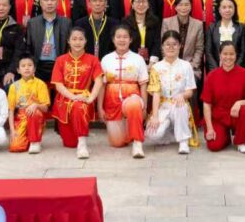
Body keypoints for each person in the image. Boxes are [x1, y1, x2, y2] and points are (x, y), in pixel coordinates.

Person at [52, 28, 105, 157]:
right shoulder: (60, 60)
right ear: (68, 41)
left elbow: (99, 80)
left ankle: (82, 144)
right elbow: (58, 84)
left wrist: (91, 98)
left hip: (83, 98)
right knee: (70, 143)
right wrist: (73, 96)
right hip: (64, 100)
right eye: (74, 39)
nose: (77, 42)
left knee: (78, 106)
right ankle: (79, 139)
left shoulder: (93, 59)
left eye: (81, 39)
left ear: (86, 41)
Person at [98, 24, 149, 158]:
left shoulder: (138, 59)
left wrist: (144, 107)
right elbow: (102, 85)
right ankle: (129, 129)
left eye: (125, 37)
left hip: (132, 98)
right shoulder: (106, 59)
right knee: (117, 143)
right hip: (112, 102)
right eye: (118, 37)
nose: (122, 40)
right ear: (113, 39)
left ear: (130, 39)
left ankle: (137, 143)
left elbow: (143, 85)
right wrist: (100, 107)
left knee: (134, 105)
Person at [202, 41, 245, 153]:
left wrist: (239, 103)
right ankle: (225, 137)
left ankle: (241, 142)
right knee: (214, 146)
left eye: (231, 54)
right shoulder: (212, 75)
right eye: (225, 54)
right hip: (218, 116)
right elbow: (206, 104)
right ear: (220, 55)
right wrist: (210, 128)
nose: (228, 57)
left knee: (244, 110)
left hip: (236, 115)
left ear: (236, 55)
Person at [146, 32, 197, 154]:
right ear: (162, 47)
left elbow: (190, 91)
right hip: (162, 105)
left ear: (180, 46)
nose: (171, 47)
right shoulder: (156, 67)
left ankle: (183, 141)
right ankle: (171, 133)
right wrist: (155, 116)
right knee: (152, 134)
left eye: (174, 44)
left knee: (180, 105)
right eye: (167, 44)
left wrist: (182, 95)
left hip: (178, 104)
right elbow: (156, 94)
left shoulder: (186, 66)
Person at [25, 0, 73, 86]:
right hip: (38, 66)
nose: (49, 3)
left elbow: (70, 47)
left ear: (57, 3)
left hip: (59, 65)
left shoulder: (66, 22)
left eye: (52, 0)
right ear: (41, 3)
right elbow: (28, 47)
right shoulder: (32, 23)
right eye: (46, 0)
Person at [7, 55, 50, 153]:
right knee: (16, 147)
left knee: (34, 112)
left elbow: (45, 108)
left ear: (34, 69)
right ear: (18, 70)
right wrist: (12, 130)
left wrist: (36, 105)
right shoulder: (14, 86)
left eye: (30, 65)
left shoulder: (40, 84)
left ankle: (35, 142)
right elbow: (11, 110)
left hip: (36, 116)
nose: (27, 68)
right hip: (21, 118)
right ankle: (28, 138)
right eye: (23, 66)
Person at [161, 0, 204, 86]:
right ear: (175, 7)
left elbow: (199, 48)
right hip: (170, 65)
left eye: (186, 5)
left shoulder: (198, 25)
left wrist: (191, 65)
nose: (183, 8)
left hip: (191, 67)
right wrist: (171, 64)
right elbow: (163, 46)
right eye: (180, 5)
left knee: (191, 83)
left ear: (191, 6)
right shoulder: (167, 22)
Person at [206, 0, 245, 70]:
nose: (227, 10)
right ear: (219, 10)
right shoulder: (212, 27)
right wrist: (216, 70)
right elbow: (208, 52)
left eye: (230, 7)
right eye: (224, 7)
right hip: (216, 69)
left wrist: (235, 69)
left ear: (234, 9)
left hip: (236, 70)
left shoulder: (241, 28)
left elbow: (243, 52)